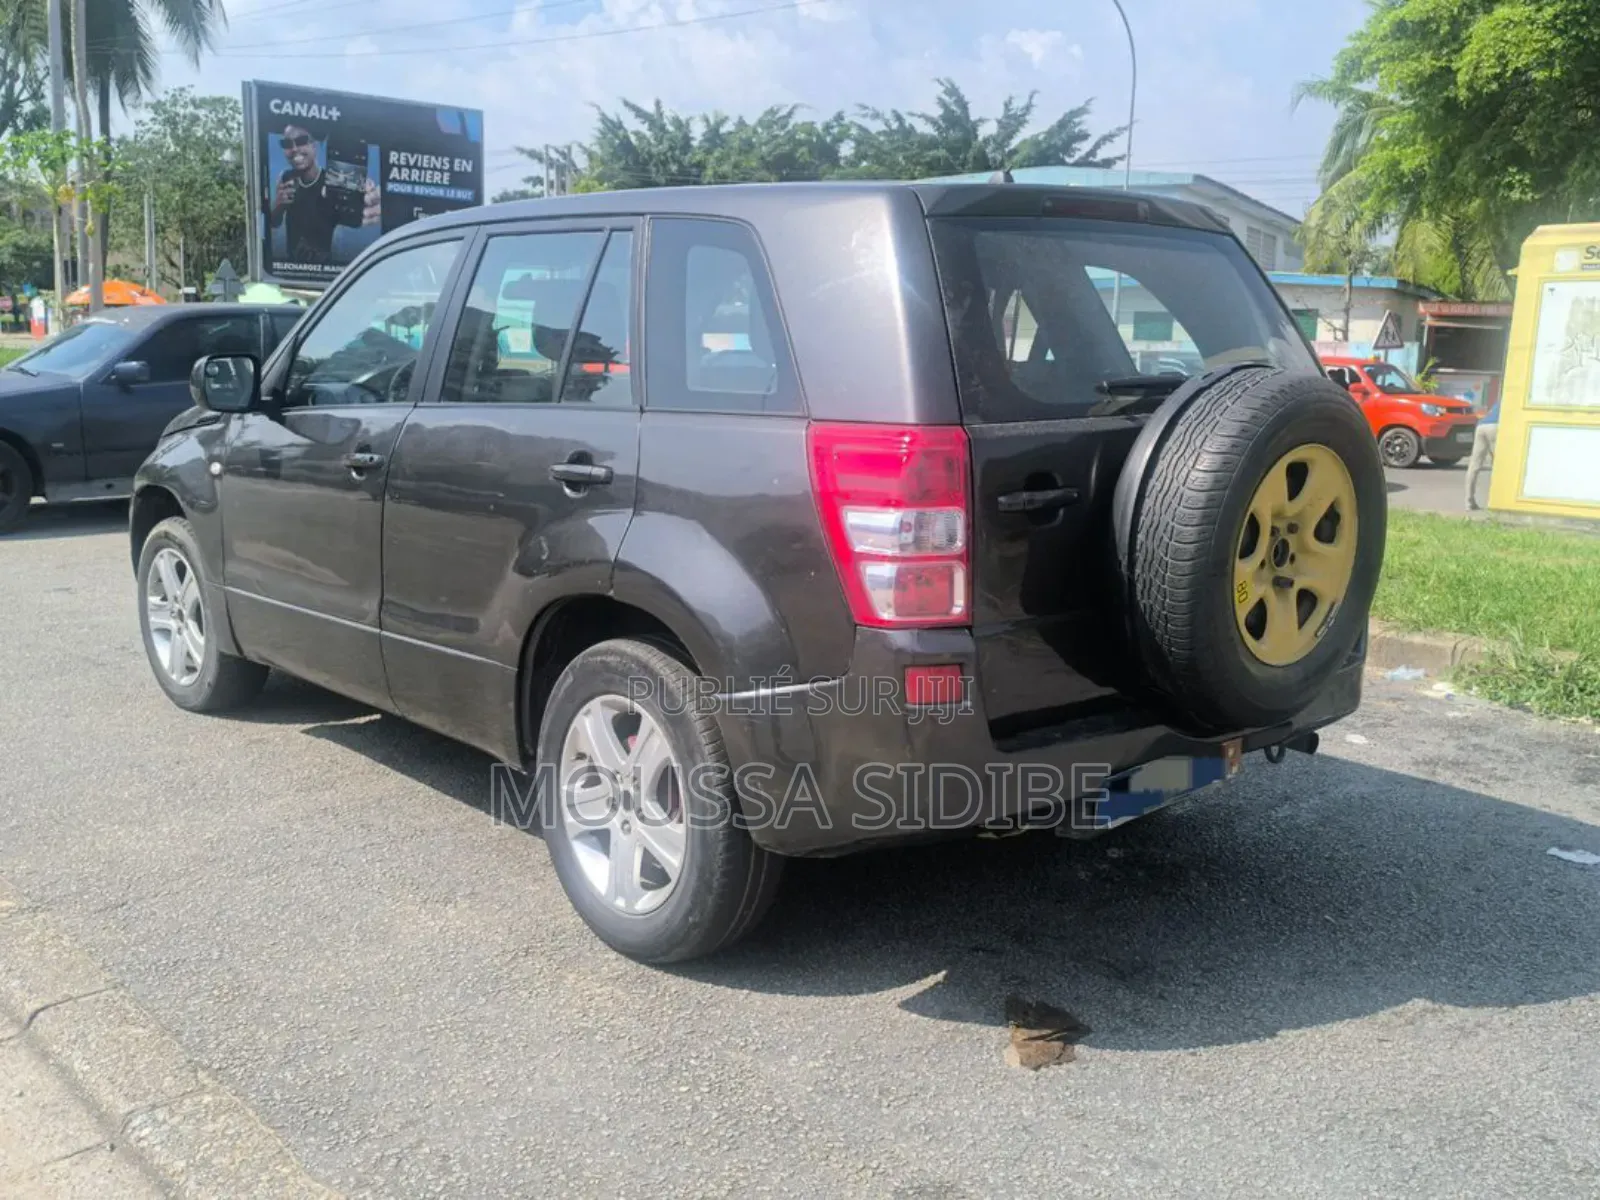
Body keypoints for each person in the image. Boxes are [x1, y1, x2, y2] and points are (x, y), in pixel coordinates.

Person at [268, 121, 381, 267]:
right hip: (290, 269)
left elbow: (351, 220)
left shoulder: (331, 181)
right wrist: (278, 205)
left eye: (301, 141)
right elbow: (274, 222)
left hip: (322, 270)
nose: (294, 148)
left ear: (314, 146)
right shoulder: (286, 177)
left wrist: (361, 202)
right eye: (287, 144)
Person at [1465, 396, 1500, 511]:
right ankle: (1496, 501)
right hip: (1496, 426)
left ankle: (1469, 501)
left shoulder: (1501, 399)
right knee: (1499, 466)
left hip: (1481, 426)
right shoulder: (1516, 398)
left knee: (1474, 465)